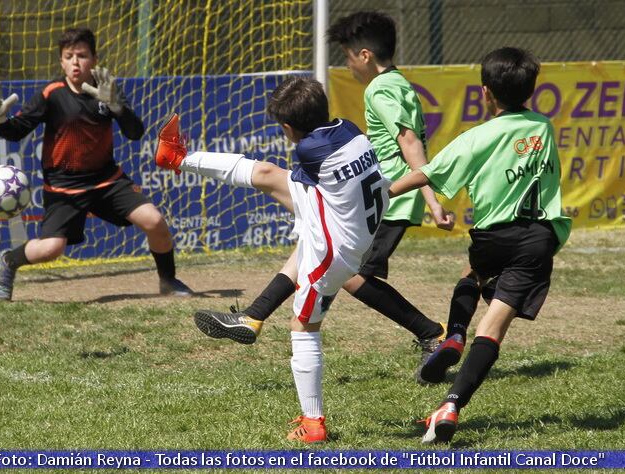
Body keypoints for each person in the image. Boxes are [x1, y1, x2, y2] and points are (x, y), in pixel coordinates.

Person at [191, 11, 455, 385]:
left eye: (347, 55)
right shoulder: (397, 83)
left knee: (346, 271)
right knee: (318, 243)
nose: (346, 64)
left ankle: (433, 334)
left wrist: (432, 199)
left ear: (364, 55)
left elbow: (408, 141)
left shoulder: (380, 88)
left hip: (383, 196)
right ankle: (254, 315)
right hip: (380, 193)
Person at [154, 76, 390, 443]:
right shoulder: (349, 128)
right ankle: (252, 317)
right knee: (265, 174)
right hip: (356, 224)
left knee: (303, 327)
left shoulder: (309, 152)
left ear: (286, 127)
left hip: (336, 251)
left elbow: (292, 175)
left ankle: (313, 424)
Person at [387, 47, 572, 443]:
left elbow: (427, 174)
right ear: (532, 90)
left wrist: (384, 192)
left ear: (485, 93)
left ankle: (454, 333)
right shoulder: (543, 126)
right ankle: (451, 404)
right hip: (538, 238)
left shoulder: (478, 136)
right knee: (494, 329)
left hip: (493, 237)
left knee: (471, 274)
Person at [0, 27, 191, 301]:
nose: (76, 62)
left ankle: (168, 280)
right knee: (51, 249)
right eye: (69, 56)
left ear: (94, 59)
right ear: (61, 61)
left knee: (155, 221)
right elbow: (15, 132)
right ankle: (9, 260)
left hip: (107, 181)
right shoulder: (51, 93)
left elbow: (135, 133)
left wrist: (117, 108)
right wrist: (0, 120)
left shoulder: (107, 90)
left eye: (82, 55)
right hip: (64, 189)